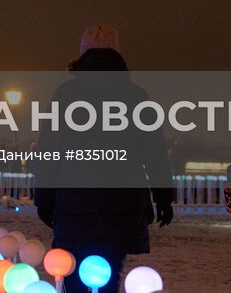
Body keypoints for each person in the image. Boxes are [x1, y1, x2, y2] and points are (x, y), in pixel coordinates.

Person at [34, 25, 175, 293]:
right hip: (122, 201)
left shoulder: (66, 96)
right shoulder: (136, 96)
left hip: (74, 200)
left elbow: (49, 152)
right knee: (109, 274)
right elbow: (154, 152)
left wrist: (44, 197)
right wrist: (163, 196)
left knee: (73, 275)